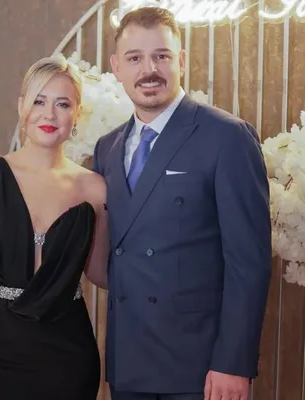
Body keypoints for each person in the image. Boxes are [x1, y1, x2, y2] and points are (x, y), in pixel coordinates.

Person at [93, 7, 271, 400]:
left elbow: (249, 263)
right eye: (135, 58)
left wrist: (233, 362)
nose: (149, 70)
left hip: (201, 366)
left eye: (162, 56)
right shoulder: (107, 148)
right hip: (129, 362)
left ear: (182, 61)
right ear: (117, 67)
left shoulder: (227, 137)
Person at [0, 56, 109, 400]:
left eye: (63, 104)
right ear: (22, 106)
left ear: (77, 114)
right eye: (39, 101)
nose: (49, 114)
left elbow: (103, 274)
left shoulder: (95, 188)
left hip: (68, 358)